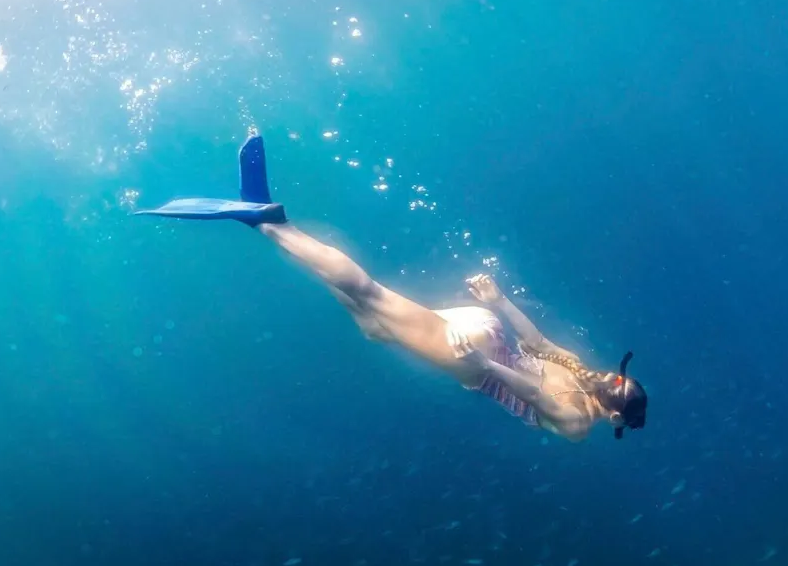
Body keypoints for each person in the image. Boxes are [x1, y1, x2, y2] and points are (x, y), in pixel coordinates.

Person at [136, 132, 648, 442]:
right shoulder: (579, 425)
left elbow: (533, 342)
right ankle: (268, 221)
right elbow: (530, 390)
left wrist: (498, 301)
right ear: (614, 418)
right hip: (476, 356)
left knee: (373, 325)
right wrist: (484, 364)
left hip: (485, 332)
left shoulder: (578, 370)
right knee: (371, 294)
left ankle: (265, 218)